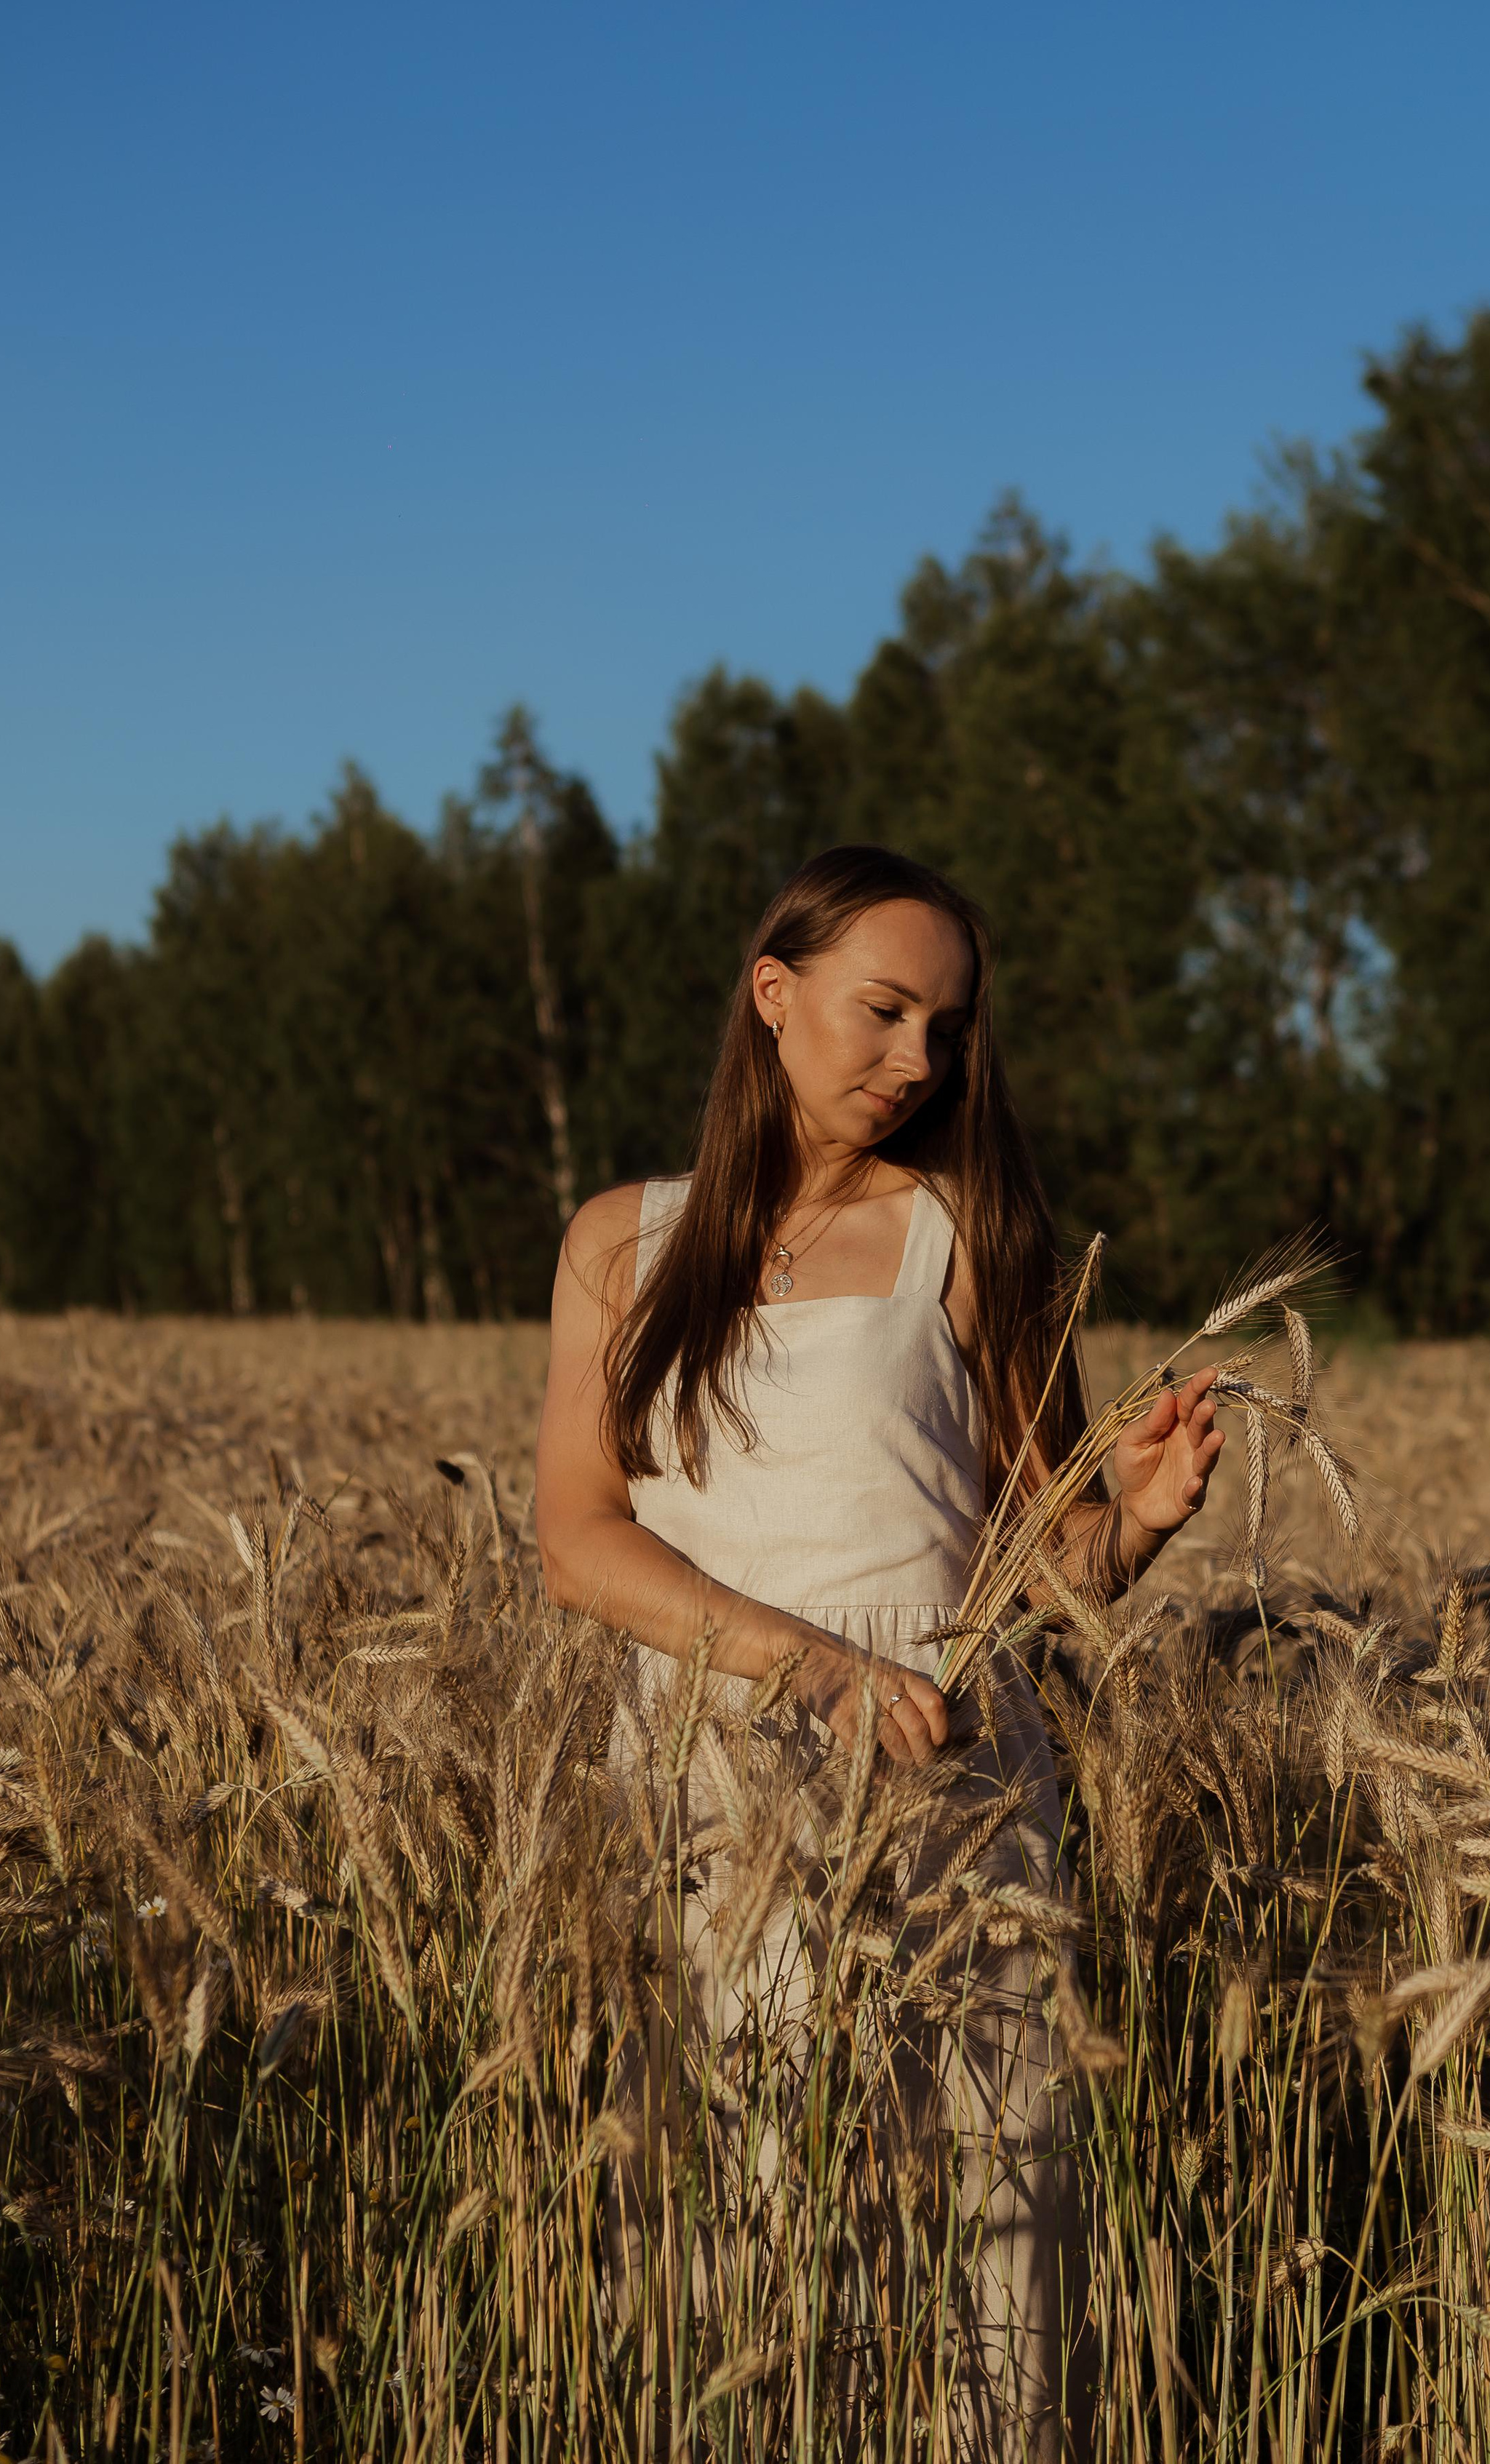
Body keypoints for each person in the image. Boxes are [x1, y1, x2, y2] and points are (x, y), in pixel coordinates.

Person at [533, 845, 1224, 2457]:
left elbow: (1043, 1576)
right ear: (772, 998)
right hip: (717, 1798)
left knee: (984, 2229)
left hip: (951, 1792)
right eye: (884, 1009)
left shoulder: (963, 1233)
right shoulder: (621, 1244)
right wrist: (810, 1668)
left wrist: (1132, 1522)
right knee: (742, 2234)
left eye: (949, 1027)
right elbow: (580, 1545)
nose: (919, 1058)